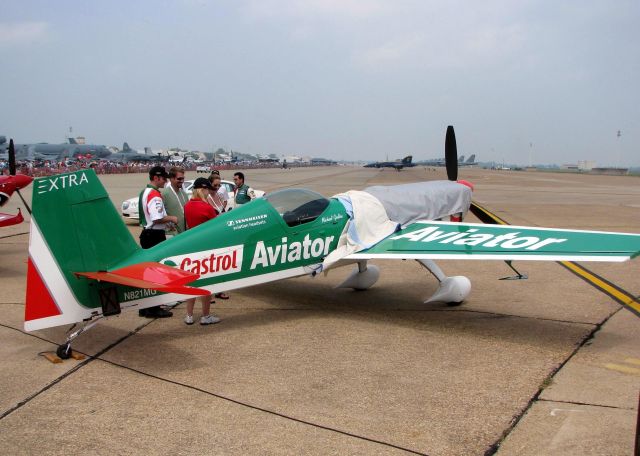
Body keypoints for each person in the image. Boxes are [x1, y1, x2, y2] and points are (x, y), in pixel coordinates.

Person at [138, 166, 178, 318]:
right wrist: (172, 218)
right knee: (155, 273)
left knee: (147, 272)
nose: (166, 181)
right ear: (156, 178)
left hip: (147, 233)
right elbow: (156, 217)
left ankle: (145, 307)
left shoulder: (144, 192)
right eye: (164, 178)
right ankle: (153, 308)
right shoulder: (154, 194)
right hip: (154, 234)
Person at [183, 177, 221, 325]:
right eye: (207, 189)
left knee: (191, 283)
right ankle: (205, 316)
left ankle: (189, 315)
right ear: (203, 189)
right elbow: (215, 228)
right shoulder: (207, 208)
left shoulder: (187, 206)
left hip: (191, 248)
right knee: (207, 283)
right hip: (206, 249)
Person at [161, 166, 188, 235]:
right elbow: (159, 216)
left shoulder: (184, 194)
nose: (182, 181)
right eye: (179, 179)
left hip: (185, 232)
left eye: (183, 178)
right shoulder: (164, 194)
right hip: (172, 233)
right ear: (171, 179)